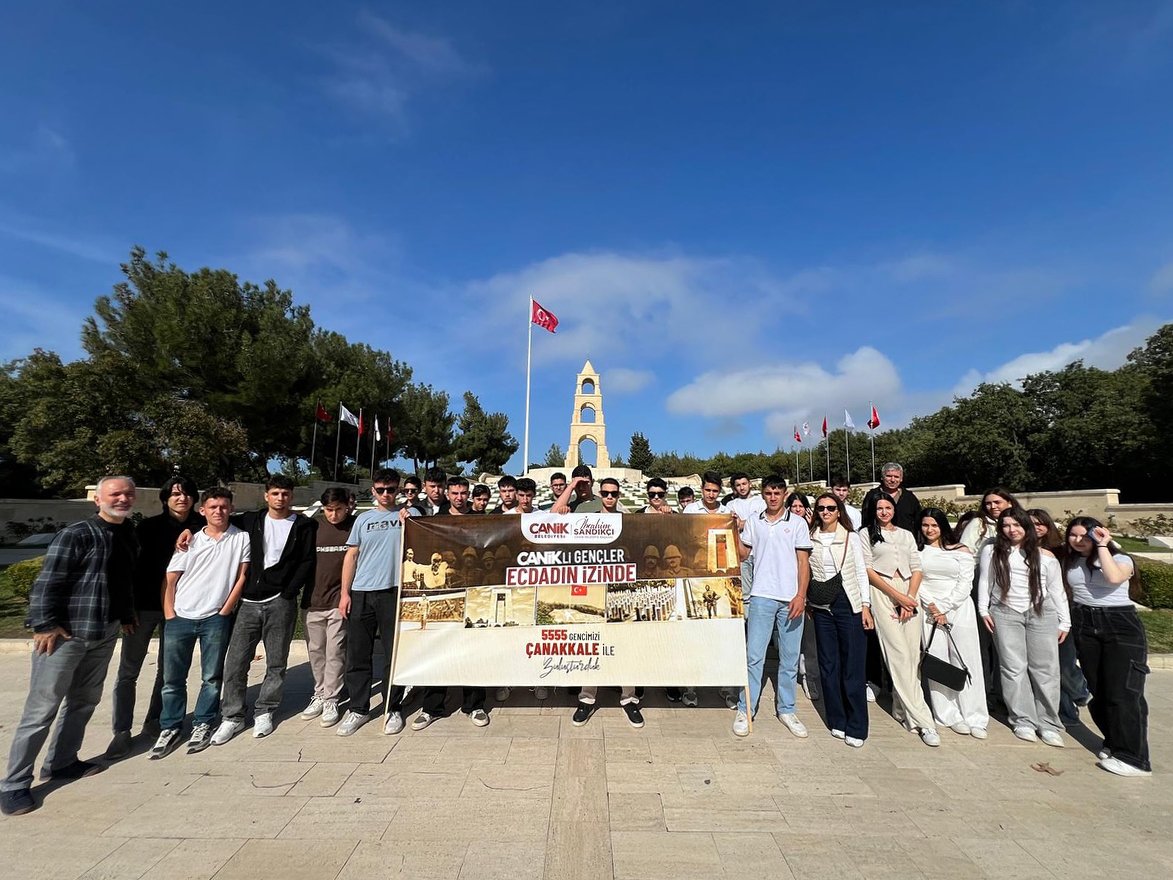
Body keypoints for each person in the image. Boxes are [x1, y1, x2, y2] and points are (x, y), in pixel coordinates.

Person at [1, 476, 138, 817]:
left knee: (84, 700)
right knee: (41, 709)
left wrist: (124, 615)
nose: (122, 499)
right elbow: (48, 582)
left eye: (127, 494)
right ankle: (15, 784)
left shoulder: (126, 533)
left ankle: (62, 762)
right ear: (98, 500)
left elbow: (119, 579)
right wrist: (45, 624)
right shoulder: (77, 534)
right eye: (115, 494)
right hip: (66, 635)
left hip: (103, 631)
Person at [210, 475, 317, 745]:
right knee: (235, 662)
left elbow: (306, 561)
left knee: (276, 662)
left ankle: (265, 710)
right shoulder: (249, 521)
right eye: (275, 493)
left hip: (280, 601)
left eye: (285, 493)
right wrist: (188, 531)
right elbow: (215, 521)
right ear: (266, 496)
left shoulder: (304, 525)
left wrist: (290, 591)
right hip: (248, 602)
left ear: (291, 496)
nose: (280, 498)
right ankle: (232, 716)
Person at [106, 476, 204, 760]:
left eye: (186, 494)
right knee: (128, 672)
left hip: (178, 608)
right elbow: (128, 569)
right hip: (144, 607)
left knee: (168, 670)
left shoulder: (200, 528)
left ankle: (155, 721)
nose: (181, 498)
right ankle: (121, 731)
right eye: (174, 494)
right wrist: (126, 609)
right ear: (165, 499)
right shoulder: (148, 527)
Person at [152, 488, 250, 758]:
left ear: (231, 508)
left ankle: (203, 723)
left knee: (211, 677)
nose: (219, 511)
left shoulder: (241, 538)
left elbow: (241, 576)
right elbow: (170, 579)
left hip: (215, 618)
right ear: (202, 510)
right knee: (172, 679)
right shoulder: (190, 540)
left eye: (224, 506)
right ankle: (170, 726)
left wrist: (225, 610)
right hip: (181, 616)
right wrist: (170, 613)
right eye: (213, 507)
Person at [1063, 518, 1150, 777]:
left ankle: (1135, 759)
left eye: (1085, 535)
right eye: (1073, 535)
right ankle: (1113, 742)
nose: (1079, 541)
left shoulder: (1121, 559)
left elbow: (1112, 578)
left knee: (1123, 693)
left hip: (1119, 625)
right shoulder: (1071, 560)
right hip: (1084, 623)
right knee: (1099, 690)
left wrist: (1103, 544)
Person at [977, 508, 1069, 746]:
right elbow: (985, 580)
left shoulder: (1045, 556)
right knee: (1013, 668)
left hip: (1041, 612)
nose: (1011, 530)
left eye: (1017, 525)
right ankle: (1023, 719)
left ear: (1026, 527)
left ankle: (1048, 722)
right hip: (1005, 612)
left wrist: (1065, 621)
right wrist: (983, 609)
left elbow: (1057, 590)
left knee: (1045, 669)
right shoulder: (992, 550)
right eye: (1006, 525)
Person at [335, 470, 416, 737]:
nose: (385, 494)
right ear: (373, 491)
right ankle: (358, 708)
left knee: (394, 655)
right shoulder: (363, 520)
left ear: (399, 490)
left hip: (393, 592)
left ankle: (392, 707)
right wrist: (345, 594)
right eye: (380, 490)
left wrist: (409, 523)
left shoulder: (409, 516)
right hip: (362, 592)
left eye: (390, 489)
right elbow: (351, 556)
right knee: (358, 654)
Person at [733, 475, 813, 738]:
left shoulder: (798, 523)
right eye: (768, 493)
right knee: (754, 657)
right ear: (763, 494)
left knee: (789, 659)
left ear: (785, 494)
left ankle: (787, 709)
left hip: (790, 597)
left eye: (778, 493)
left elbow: (803, 563)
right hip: (762, 596)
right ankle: (746, 709)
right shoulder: (755, 521)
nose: (773, 497)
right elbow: (743, 554)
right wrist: (730, 530)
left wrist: (801, 595)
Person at [862, 493, 939, 747]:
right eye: (879, 508)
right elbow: (868, 570)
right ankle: (923, 719)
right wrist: (897, 596)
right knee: (898, 656)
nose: (884, 512)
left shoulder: (906, 534)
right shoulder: (866, 534)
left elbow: (917, 567)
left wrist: (909, 597)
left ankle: (901, 708)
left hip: (908, 591)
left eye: (888, 507)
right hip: (883, 592)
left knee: (912, 657)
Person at [414, 476, 489, 729]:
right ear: (447, 494)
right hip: (443, 594)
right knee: (439, 648)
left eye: (463, 493)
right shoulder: (435, 521)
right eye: (455, 493)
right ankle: (432, 707)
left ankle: (475, 705)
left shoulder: (482, 519)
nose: (459, 497)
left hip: (474, 592)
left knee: (474, 651)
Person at [571, 484, 642, 727]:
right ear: (601, 494)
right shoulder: (588, 521)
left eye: (614, 494)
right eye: (606, 493)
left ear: (618, 496)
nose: (610, 497)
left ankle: (629, 698)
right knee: (592, 645)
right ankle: (587, 699)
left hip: (620, 588)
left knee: (626, 646)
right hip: (594, 588)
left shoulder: (628, 521)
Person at [806, 493, 871, 747]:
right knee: (828, 663)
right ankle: (837, 719)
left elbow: (861, 572)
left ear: (839, 510)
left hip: (848, 601)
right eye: (821, 508)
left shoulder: (851, 537)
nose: (825, 512)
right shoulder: (811, 537)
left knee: (852, 665)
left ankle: (857, 725)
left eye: (831, 508)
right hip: (821, 603)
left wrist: (865, 606)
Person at [917, 508, 987, 738]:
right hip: (929, 609)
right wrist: (934, 607)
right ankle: (948, 714)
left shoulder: (960, 550)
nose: (929, 530)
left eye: (934, 525)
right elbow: (916, 580)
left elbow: (966, 582)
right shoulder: (917, 551)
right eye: (926, 525)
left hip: (958, 608)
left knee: (966, 659)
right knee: (938, 660)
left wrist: (945, 606)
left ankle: (975, 715)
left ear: (942, 526)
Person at [300, 488, 355, 729]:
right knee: (316, 650)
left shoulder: (355, 525)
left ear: (348, 507)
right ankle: (319, 693)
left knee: (335, 650)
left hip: (338, 600)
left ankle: (332, 698)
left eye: (338, 510)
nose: (333, 515)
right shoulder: (312, 527)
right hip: (313, 600)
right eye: (329, 510)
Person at [1029, 508, 1090, 727]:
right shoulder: (1020, 549)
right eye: (1030, 523)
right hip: (1038, 612)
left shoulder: (1061, 551)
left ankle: (1080, 691)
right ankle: (1066, 711)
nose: (1036, 527)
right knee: (1048, 665)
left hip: (1064, 611)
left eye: (1040, 523)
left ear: (1048, 525)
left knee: (1064, 662)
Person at [788, 492, 820, 702]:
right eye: (794, 506)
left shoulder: (815, 531)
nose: (798, 509)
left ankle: (810, 677)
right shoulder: (787, 528)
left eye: (801, 506)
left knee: (810, 638)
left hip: (810, 588)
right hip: (788, 587)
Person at [862, 463, 921, 532]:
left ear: (901, 479)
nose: (892, 480)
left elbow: (918, 521)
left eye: (896, 477)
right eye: (889, 476)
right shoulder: (872, 496)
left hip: (905, 540)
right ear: (882, 477)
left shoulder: (909, 497)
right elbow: (865, 520)